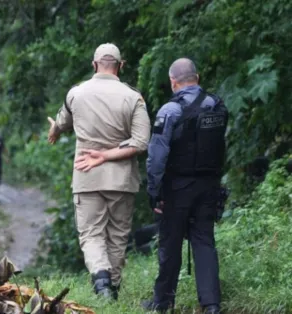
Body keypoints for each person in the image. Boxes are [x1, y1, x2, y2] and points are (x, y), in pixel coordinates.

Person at [47, 43, 151, 300]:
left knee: (91, 234)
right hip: (122, 180)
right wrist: (110, 153)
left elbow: (62, 122)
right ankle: (111, 288)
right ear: (121, 66)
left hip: (87, 176)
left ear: (94, 65)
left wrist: (56, 129)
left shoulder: (76, 94)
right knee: (117, 236)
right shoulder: (132, 96)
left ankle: (102, 283)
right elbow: (141, 141)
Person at [141, 58, 228, 314]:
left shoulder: (169, 111)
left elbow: (157, 156)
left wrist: (154, 191)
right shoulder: (216, 105)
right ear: (197, 78)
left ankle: (162, 303)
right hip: (209, 186)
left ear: (173, 81)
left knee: (170, 242)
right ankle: (212, 305)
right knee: (204, 241)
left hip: (177, 187)